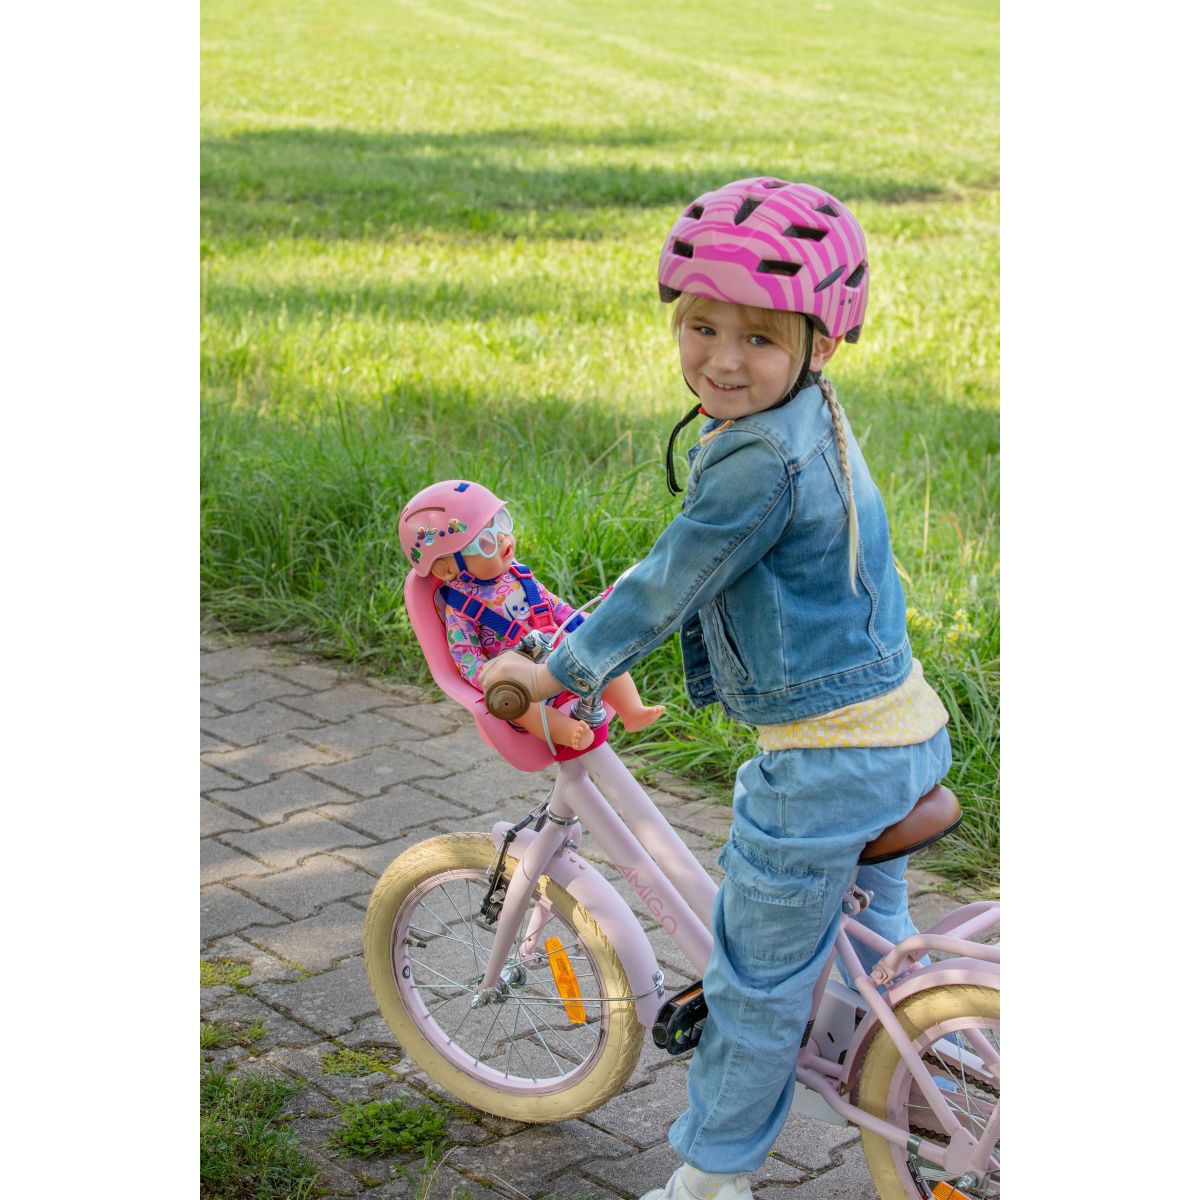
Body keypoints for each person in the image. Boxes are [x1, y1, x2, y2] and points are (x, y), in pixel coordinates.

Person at [478, 176, 952, 1200]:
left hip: (827, 763)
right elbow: (696, 563)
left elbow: (670, 581)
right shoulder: (810, 416)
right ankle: (921, 1055)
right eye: (702, 327)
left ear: (821, 345)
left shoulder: (755, 460)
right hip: (901, 726)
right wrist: (613, 624)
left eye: (759, 338)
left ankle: (712, 1179)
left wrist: (556, 669)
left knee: (755, 981)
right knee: (876, 944)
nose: (724, 360)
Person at [398, 478, 663, 752]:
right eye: (486, 542)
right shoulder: (460, 609)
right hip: (522, 680)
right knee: (519, 706)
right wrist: (491, 680)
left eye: (501, 525)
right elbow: (466, 658)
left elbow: (553, 606)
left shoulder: (518, 574)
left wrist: (582, 624)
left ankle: (632, 710)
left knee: (599, 649)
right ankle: (564, 730)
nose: (503, 540)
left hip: (560, 655)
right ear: (446, 569)